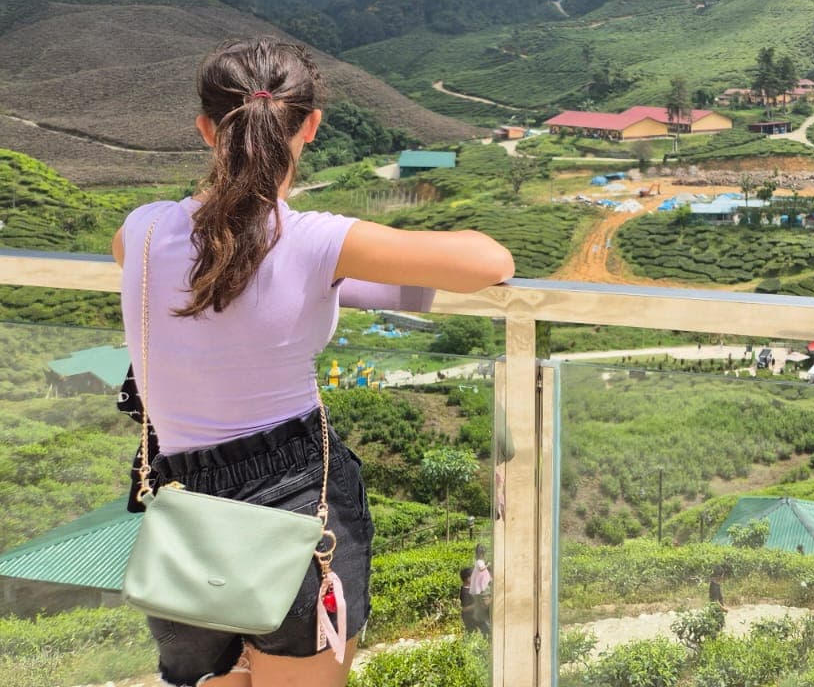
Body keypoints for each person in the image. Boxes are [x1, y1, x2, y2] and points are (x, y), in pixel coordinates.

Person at [112, 39, 515, 687]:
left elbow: (197, 275)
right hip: (298, 500)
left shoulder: (142, 230)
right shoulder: (317, 241)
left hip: (180, 503)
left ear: (206, 128)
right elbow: (490, 261)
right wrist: (337, 273)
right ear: (311, 126)